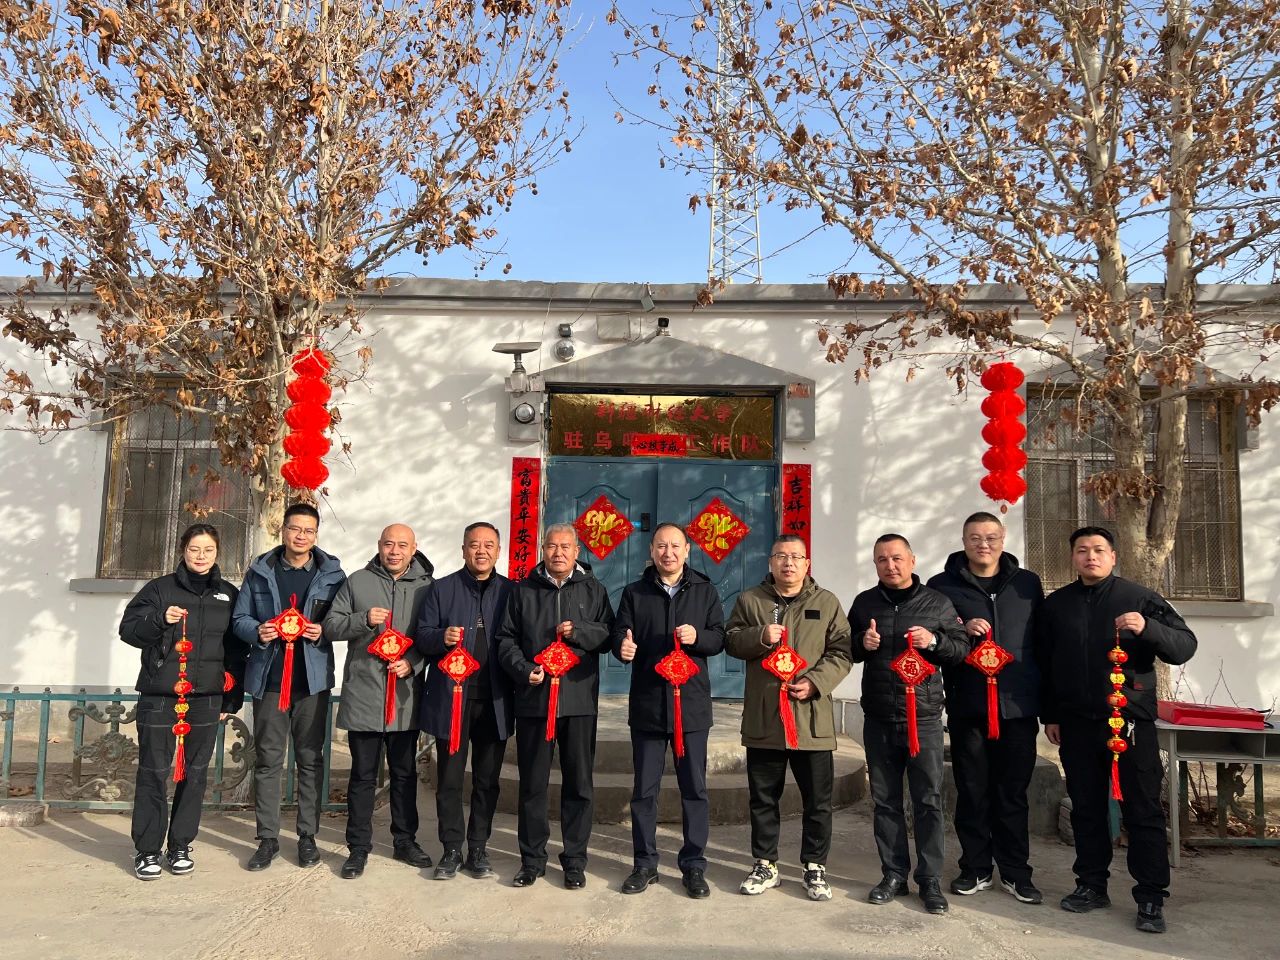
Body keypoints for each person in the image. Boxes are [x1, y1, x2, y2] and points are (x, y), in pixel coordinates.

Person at [1039, 526, 1197, 934]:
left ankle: (1150, 896)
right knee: (1086, 808)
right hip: (1076, 723)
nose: (1090, 557)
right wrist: (1051, 715)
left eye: (1098, 550)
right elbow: (1047, 663)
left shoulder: (1140, 599)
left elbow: (1184, 646)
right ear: (1073, 558)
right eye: (1082, 550)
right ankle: (1091, 885)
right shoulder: (1057, 605)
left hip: (1130, 723)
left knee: (1142, 809)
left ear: (1113, 556)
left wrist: (1148, 628)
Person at [724, 534, 852, 901]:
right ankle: (765, 863)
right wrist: (760, 636)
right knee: (763, 798)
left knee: (818, 800)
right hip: (766, 718)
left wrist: (816, 682)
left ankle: (814, 866)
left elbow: (842, 651)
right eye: (781, 556)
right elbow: (730, 641)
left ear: (807, 563)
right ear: (771, 561)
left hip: (811, 719)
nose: (789, 563)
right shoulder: (751, 600)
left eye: (796, 556)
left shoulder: (826, 602)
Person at [927, 512, 1045, 904]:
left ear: (1003, 538)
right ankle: (975, 867)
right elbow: (935, 642)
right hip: (969, 705)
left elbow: (1042, 642)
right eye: (975, 538)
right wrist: (961, 629)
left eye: (991, 537)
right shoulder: (942, 586)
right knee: (972, 791)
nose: (984, 545)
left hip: (1018, 707)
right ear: (964, 541)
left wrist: (1047, 705)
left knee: (1013, 793)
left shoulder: (1027, 583)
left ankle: (1016, 872)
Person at [848, 533, 969, 915]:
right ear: (875, 563)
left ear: (912, 561)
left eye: (897, 558)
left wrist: (933, 641)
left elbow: (960, 650)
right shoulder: (865, 603)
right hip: (880, 717)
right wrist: (862, 643)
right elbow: (845, 648)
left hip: (925, 720)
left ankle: (929, 879)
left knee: (928, 800)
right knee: (885, 801)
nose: (890, 565)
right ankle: (894, 874)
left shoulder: (937, 603)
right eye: (882, 559)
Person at [119, 523, 247, 880]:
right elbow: (129, 631)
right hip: (160, 695)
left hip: (206, 698)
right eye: (194, 549)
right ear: (182, 551)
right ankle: (147, 850)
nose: (201, 556)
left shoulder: (228, 594)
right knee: (154, 772)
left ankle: (180, 845)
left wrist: (230, 699)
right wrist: (160, 619)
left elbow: (237, 652)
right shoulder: (160, 589)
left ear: (217, 552)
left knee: (195, 774)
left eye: (208, 550)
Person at [495, 522, 614, 890]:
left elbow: (607, 635)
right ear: (542, 550)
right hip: (535, 701)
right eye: (551, 546)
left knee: (579, 784)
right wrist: (524, 669)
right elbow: (505, 639)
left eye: (565, 547)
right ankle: (532, 860)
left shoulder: (593, 589)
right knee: (533, 784)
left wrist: (579, 631)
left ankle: (575, 861)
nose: (558, 553)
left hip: (578, 701)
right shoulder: (523, 590)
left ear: (577, 552)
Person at [611, 523, 725, 899]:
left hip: (690, 707)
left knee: (695, 789)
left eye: (676, 546)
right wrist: (622, 647)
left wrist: (699, 638)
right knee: (644, 790)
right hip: (648, 705)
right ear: (651, 550)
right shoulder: (634, 592)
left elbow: (719, 637)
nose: (668, 552)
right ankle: (644, 864)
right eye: (661, 546)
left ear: (687, 550)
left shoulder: (705, 590)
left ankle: (693, 865)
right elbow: (620, 632)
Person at [232, 502, 346, 871]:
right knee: (268, 760)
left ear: (316, 535)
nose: (301, 536)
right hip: (269, 680)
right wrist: (258, 630)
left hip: (311, 682)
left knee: (310, 760)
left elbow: (340, 621)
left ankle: (307, 837)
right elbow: (240, 618)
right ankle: (267, 838)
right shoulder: (260, 572)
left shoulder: (332, 575)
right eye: (295, 528)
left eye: (308, 530)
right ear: (283, 530)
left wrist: (322, 630)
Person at [324, 523, 434, 879]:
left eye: (402, 545)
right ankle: (358, 847)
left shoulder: (428, 588)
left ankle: (405, 841)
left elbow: (431, 637)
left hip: (404, 697)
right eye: (389, 544)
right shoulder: (357, 581)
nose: (395, 551)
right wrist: (363, 620)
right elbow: (331, 626)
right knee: (362, 776)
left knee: (404, 773)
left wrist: (413, 662)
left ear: (414, 548)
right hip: (365, 695)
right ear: (379, 546)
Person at [414, 521, 514, 881]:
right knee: (451, 779)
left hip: (495, 700)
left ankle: (479, 848)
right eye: (474, 544)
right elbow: (422, 636)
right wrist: (442, 637)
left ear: (498, 551)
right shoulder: (442, 589)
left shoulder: (511, 592)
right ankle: (452, 848)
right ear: (463, 550)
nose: (481, 551)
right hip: (452, 700)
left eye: (488, 545)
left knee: (487, 780)